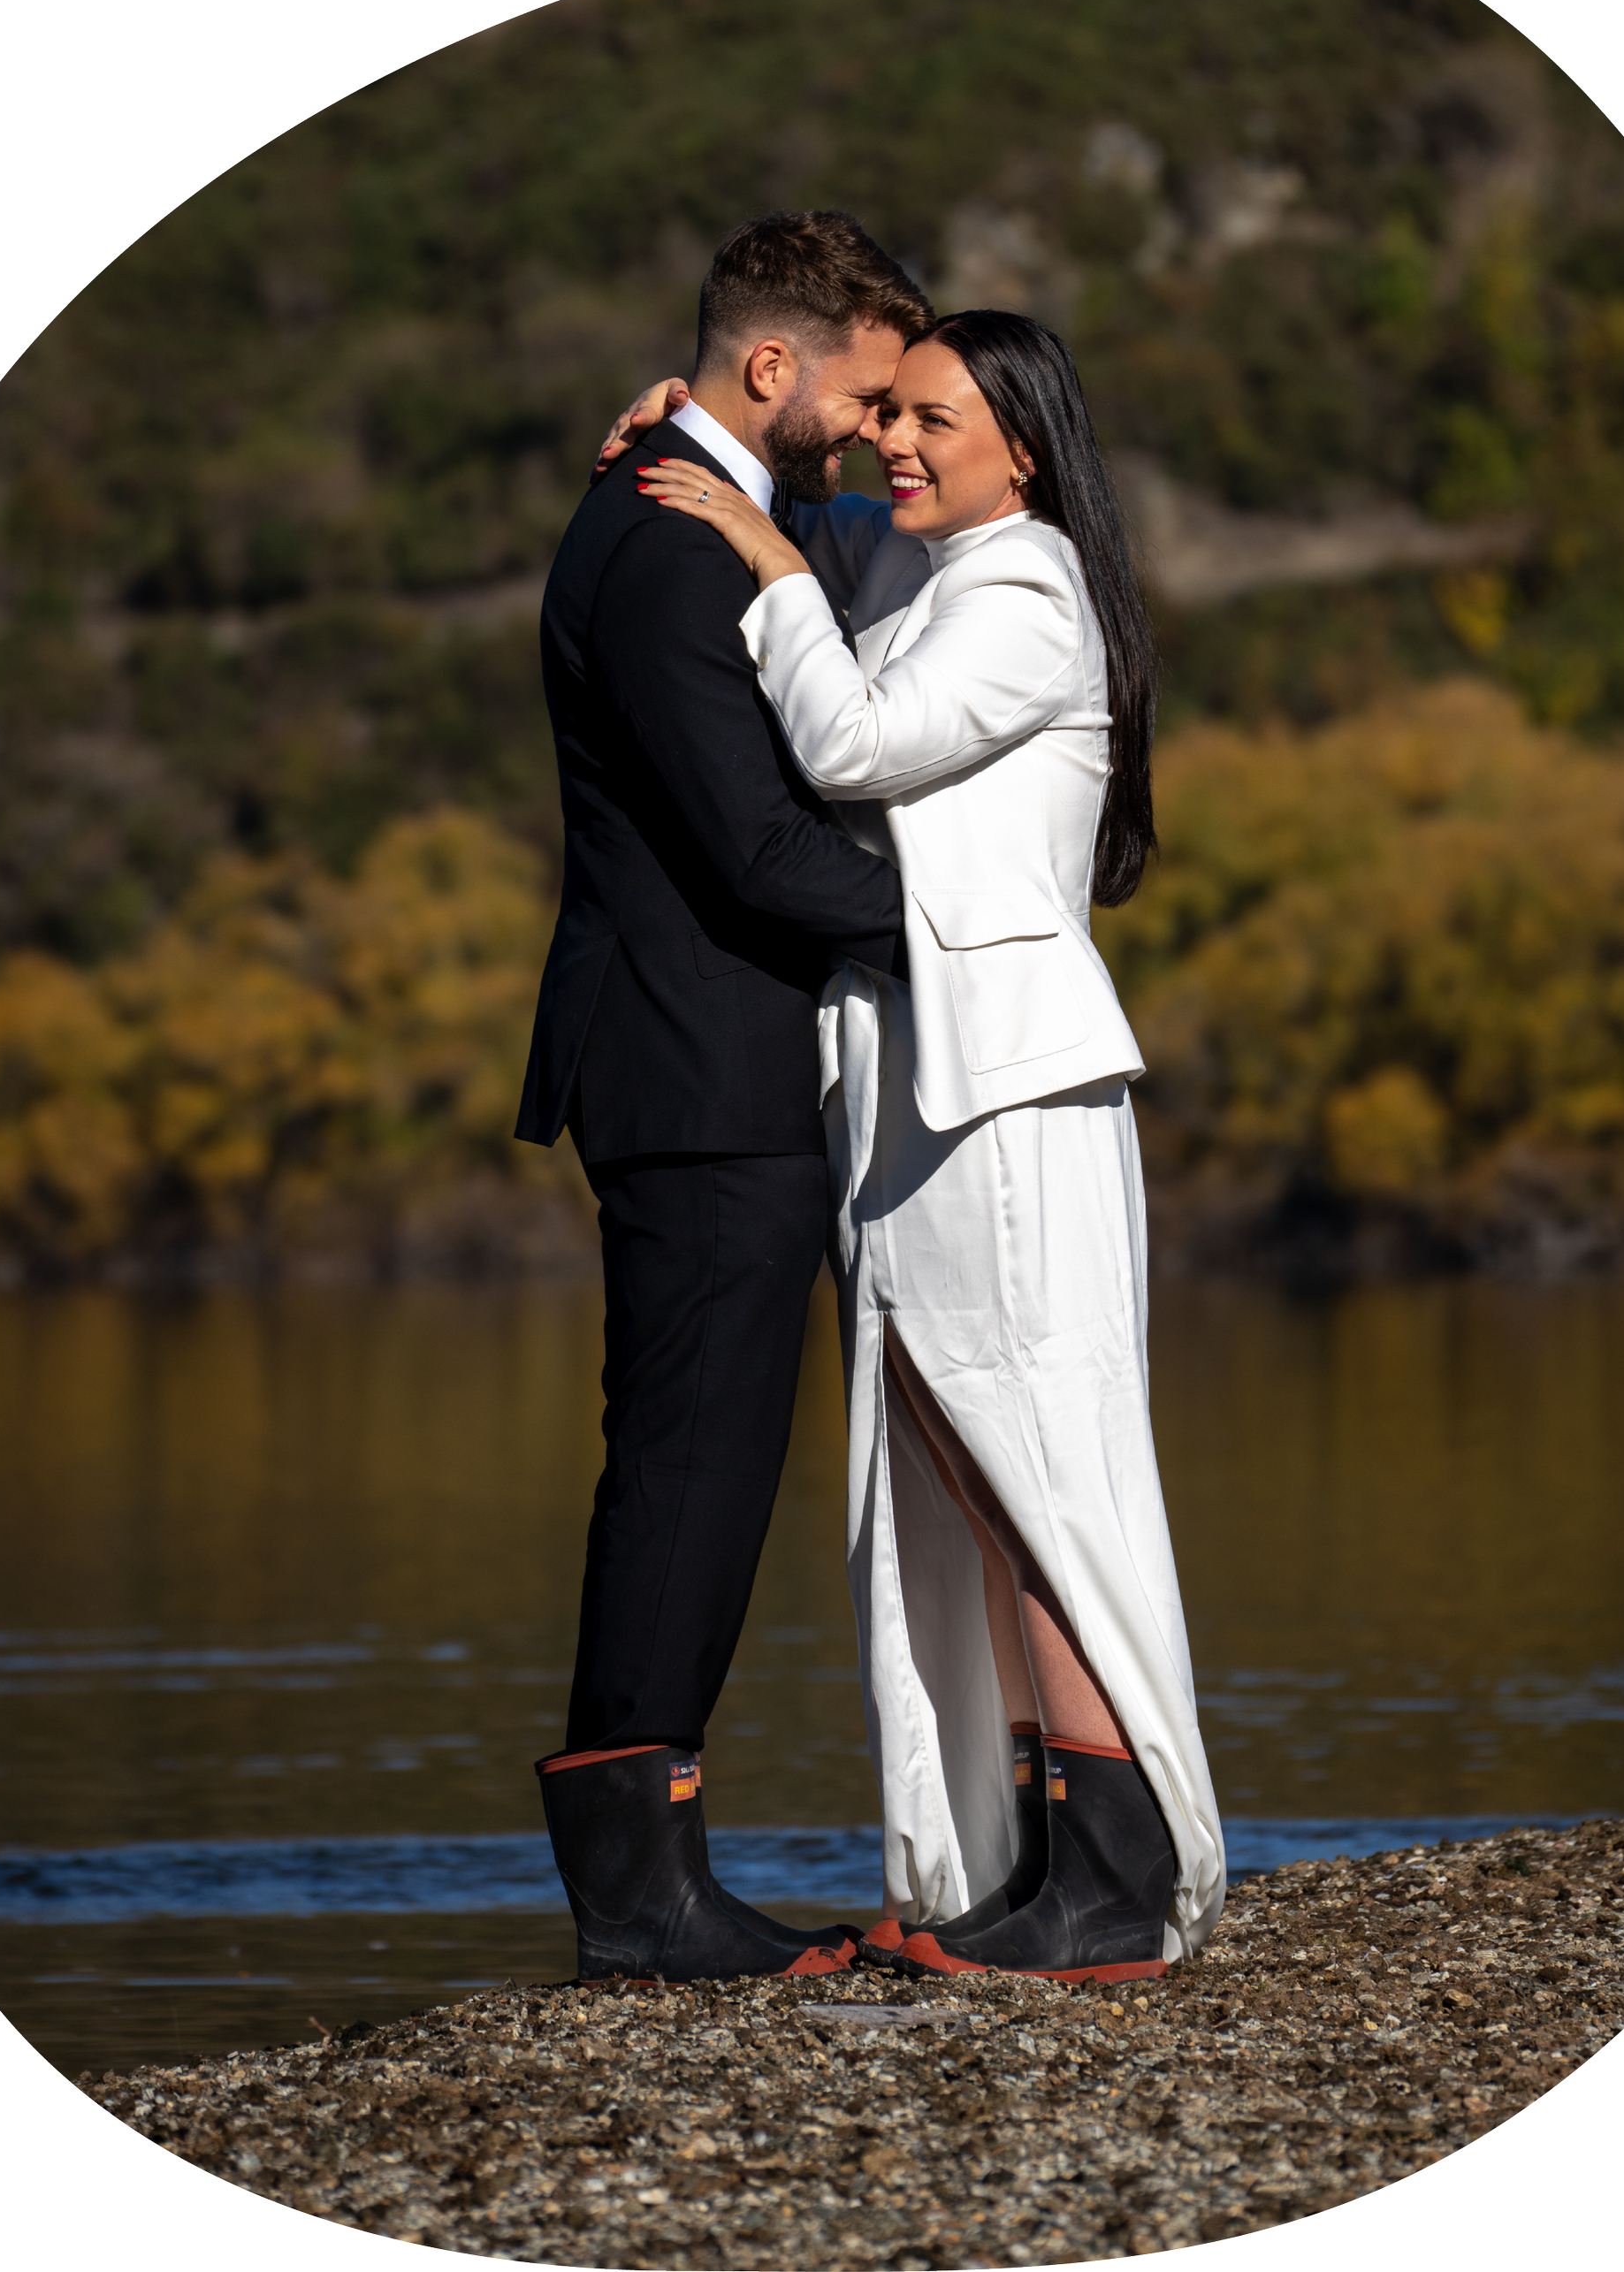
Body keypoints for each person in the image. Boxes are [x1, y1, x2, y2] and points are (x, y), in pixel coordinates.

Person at [629, 310, 1227, 1982]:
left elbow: (854, 743)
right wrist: (707, 440)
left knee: (1031, 1466)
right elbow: (833, 554)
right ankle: (1046, 1855)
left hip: (1008, 1094)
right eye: (881, 411)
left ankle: (1117, 1875)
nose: (894, 440)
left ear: (1021, 446)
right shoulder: (930, 576)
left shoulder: (1030, 590)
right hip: (911, 1090)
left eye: (932, 417)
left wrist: (757, 547)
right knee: (962, 1475)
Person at [514, 212, 932, 1981]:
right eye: (851, 386)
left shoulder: (698, 508)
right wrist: (981, 916)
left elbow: (860, 533)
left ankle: (650, 1879)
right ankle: (638, 1900)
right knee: (689, 1468)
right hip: (692, 1071)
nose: (866, 427)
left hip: (709, 1062)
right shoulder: (668, 549)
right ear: (772, 363)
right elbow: (754, 854)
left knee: (705, 1461)